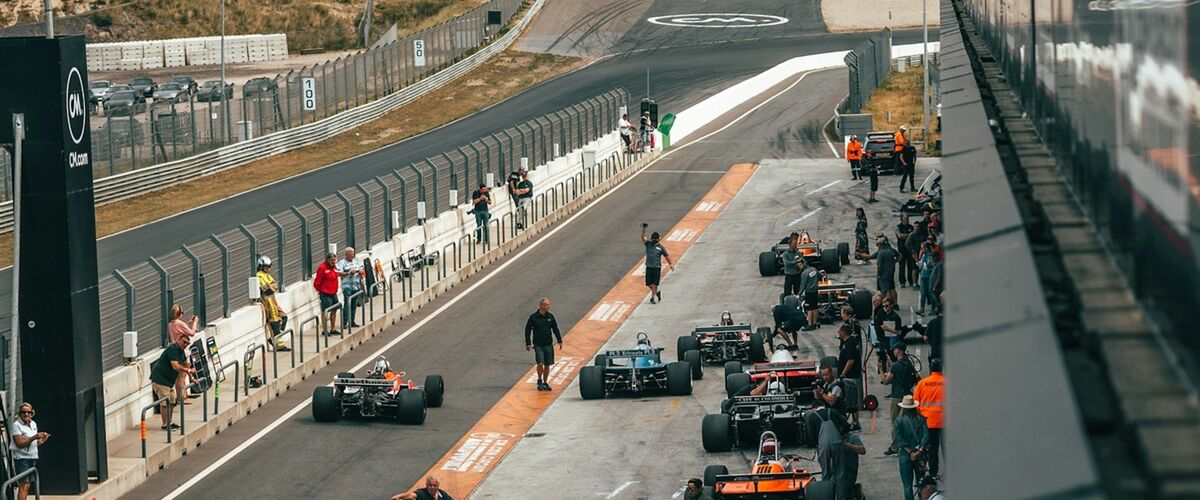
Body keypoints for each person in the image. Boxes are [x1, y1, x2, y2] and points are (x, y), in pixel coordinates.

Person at [150, 332, 195, 430]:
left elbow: (185, 364)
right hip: (160, 379)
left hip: (168, 381)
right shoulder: (173, 349)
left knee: (172, 401)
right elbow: (175, 366)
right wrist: (187, 370)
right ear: (179, 340)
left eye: (187, 344)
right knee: (165, 403)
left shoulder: (181, 351)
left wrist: (191, 377)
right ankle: (165, 424)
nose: (185, 345)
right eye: (184, 342)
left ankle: (169, 422)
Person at [882, 342, 919, 456]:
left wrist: (880, 369)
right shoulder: (909, 363)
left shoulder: (896, 366)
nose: (893, 352)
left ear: (898, 351)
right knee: (907, 421)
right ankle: (909, 443)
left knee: (895, 422)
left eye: (895, 350)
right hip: (908, 396)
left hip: (897, 397)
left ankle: (895, 446)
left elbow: (886, 381)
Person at [9, 403, 48, 500]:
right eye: (24, 412)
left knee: (27, 486)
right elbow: (19, 443)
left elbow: (31, 443)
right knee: (23, 486)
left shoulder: (33, 424)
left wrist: (41, 440)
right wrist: (34, 437)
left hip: (32, 457)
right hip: (22, 459)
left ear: (32, 413)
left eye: (29, 412)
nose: (26, 414)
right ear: (20, 413)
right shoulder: (16, 425)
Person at [914, 358, 945, 478]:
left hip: (929, 422)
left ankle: (933, 472)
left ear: (930, 369)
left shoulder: (922, 383)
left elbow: (916, 404)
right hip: (945, 422)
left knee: (932, 448)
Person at [894, 395, 928, 500]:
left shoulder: (898, 421)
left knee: (907, 486)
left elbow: (900, 441)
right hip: (920, 456)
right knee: (921, 483)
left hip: (905, 456)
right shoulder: (921, 419)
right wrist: (919, 450)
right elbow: (926, 436)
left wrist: (910, 453)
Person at [524, 298, 563, 391]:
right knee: (540, 363)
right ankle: (539, 380)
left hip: (548, 344)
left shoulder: (550, 316)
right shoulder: (534, 317)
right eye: (547, 305)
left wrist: (559, 340)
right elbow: (528, 329)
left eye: (549, 305)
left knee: (547, 364)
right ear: (541, 306)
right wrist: (528, 343)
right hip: (538, 345)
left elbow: (555, 328)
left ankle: (545, 382)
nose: (549, 307)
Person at [256, 256, 290, 352]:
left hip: (273, 302)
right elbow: (268, 290)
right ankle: (279, 345)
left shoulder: (266, 275)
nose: (268, 268)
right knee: (275, 323)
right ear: (261, 266)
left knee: (284, 317)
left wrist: (271, 285)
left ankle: (275, 338)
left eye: (269, 266)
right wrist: (271, 285)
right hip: (268, 303)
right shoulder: (259, 275)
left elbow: (275, 285)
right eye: (266, 266)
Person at [167, 304, 200, 402]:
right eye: (182, 313)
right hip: (180, 351)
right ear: (178, 313)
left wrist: (188, 323)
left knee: (180, 376)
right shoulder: (179, 324)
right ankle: (181, 398)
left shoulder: (170, 324)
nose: (182, 314)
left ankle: (181, 397)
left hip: (174, 350)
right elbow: (192, 333)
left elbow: (181, 331)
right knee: (182, 376)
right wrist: (195, 323)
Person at [837, 320, 863, 430]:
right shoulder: (848, 342)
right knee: (850, 399)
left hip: (851, 376)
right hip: (850, 375)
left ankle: (856, 422)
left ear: (843, 332)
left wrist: (843, 373)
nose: (838, 333)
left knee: (852, 399)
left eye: (839, 332)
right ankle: (854, 420)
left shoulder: (850, 344)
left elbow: (851, 360)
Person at [641, 224, 675, 304]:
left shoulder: (661, 248)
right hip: (649, 267)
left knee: (655, 284)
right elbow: (643, 237)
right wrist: (644, 229)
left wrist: (671, 264)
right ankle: (657, 292)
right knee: (649, 284)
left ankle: (652, 298)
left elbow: (666, 256)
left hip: (657, 268)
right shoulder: (648, 244)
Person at [862, 238, 899, 305]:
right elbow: (900, 256)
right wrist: (894, 262)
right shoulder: (890, 250)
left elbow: (879, 265)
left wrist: (879, 274)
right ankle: (895, 304)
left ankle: (889, 304)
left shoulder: (881, 253)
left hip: (883, 274)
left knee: (886, 291)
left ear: (879, 245)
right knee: (892, 288)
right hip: (891, 273)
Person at [337, 247, 364, 330]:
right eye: (350, 254)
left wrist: (360, 272)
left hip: (356, 285)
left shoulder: (356, 261)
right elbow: (339, 273)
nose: (352, 256)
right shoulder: (342, 263)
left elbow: (361, 269)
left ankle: (352, 321)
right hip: (347, 286)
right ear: (346, 255)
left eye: (353, 254)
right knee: (347, 304)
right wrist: (348, 273)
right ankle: (344, 322)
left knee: (354, 304)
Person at [313, 252, 341, 336]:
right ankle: (325, 330)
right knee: (325, 312)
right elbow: (317, 282)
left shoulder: (334, 267)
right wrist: (320, 291)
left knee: (334, 310)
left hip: (333, 293)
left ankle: (333, 328)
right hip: (325, 293)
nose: (333, 261)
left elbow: (337, 274)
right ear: (327, 260)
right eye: (332, 260)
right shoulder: (322, 268)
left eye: (334, 260)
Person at [841, 431, 867, 500]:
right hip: (837, 472)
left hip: (848, 473)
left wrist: (847, 445)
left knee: (842, 492)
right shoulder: (833, 437)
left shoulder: (852, 437)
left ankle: (855, 490)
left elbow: (863, 450)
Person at [916, 243, 939, 316]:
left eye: (922, 248)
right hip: (923, 276)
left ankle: (933, 308)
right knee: (922, 293)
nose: (922, 250)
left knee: (930, 293)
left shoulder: (930, 256)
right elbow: (921, 265)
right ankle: (922, 309)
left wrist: (923, 265)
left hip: (929, 277)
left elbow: (929, 266)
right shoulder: (923, 255)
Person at [798, 259, 821, 330]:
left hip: (809, 292)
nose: (799, 267)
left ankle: (810, 325)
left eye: (800, 265)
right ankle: (815, 323)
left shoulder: (804, 273)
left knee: (809, 309)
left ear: (804, 264)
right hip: (815, 291)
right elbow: (820, 276)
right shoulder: (814, 269)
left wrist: (799, 294)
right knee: (815, 307)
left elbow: (803, 285)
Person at [896, 214, 915, 287]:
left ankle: (911, 281)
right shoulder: (898, 227)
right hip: (901, 250)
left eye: (908, 218)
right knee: (902, 266)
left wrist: (905, 235)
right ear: (902, 219)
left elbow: (914, 235)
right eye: (906, 218)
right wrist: (909, 235)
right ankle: (902, 282)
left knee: (910, 266)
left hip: (909, 250)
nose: (907, 219)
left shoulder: (911, 227)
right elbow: (900, 236)